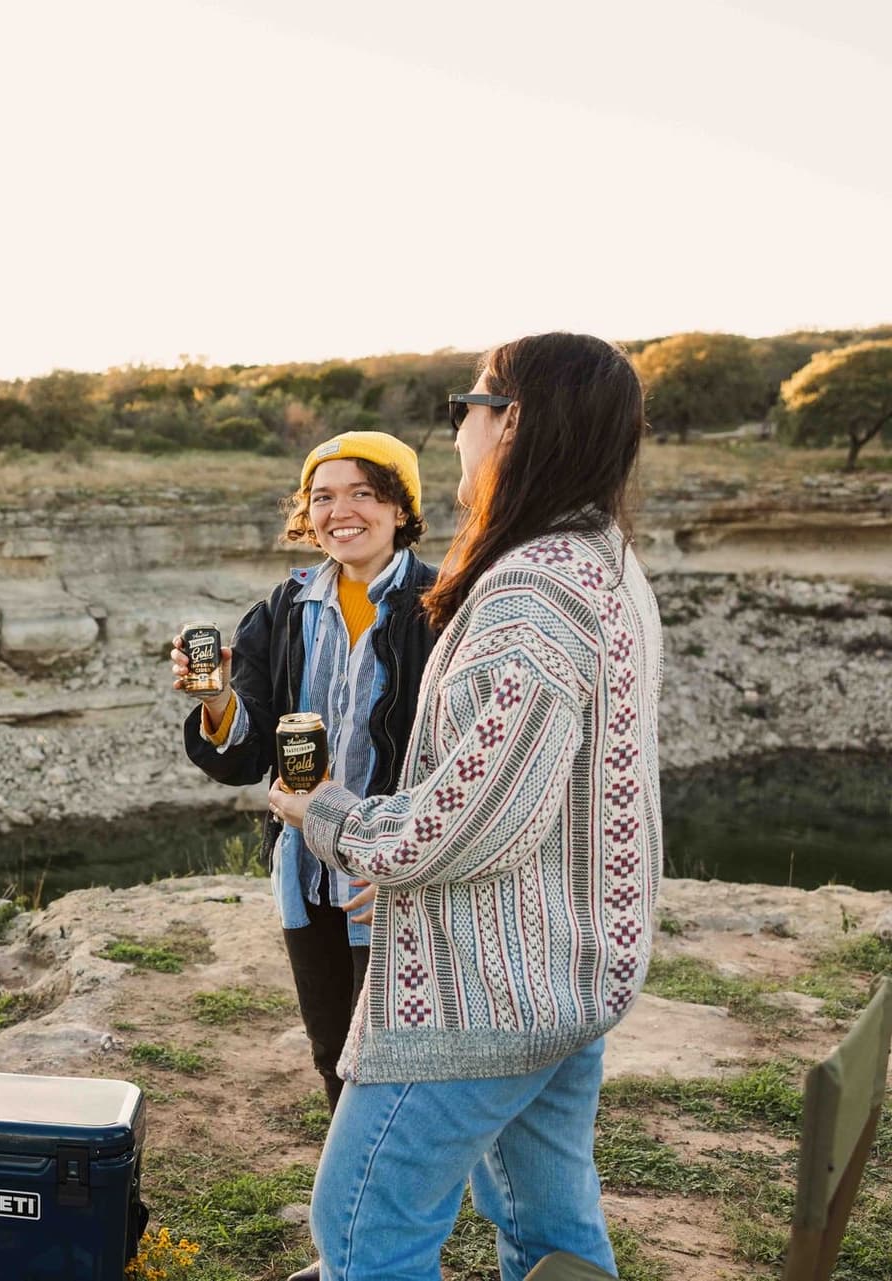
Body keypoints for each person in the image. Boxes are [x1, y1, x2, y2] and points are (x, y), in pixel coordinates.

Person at [268, 332, 663, 1281]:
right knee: (547, 1224)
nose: (458, 431)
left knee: (365, 1225)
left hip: (484, 992)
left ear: (511, 422)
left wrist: (329, 817)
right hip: (562, 973)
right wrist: (406, 868)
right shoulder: (604, 562)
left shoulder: (533, 590)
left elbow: (466, 820)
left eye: (465, 408)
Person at [175, 429, 438, 1281]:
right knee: (336, 1057)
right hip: (309, 877)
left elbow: (457, 757)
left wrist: (404, 863)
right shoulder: (283, 609)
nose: (341, 510)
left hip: (392, 880)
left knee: (389, 1076)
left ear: (401, 509)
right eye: (323, 496)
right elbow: (244, 751)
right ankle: (354, 1255)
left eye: (363, 492)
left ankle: (386, 1252)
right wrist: (216, 700)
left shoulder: (443, 604)